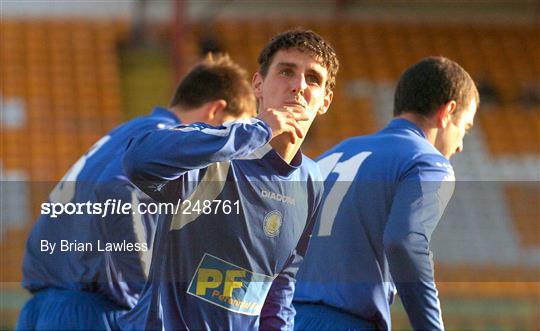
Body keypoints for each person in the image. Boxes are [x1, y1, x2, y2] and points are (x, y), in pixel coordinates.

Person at [116, 29, 339, 330]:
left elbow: (279, 286)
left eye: (313, 78)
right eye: (286, 71)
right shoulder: (216, 155)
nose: (299, 85)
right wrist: (258, 130)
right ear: (258, 85)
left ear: (325, 100)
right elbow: (137, 161)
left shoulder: (311, 180)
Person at [16, 54, 257, 331]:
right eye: (230, 132)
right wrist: (146, 291)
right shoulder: (165, 141)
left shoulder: (127, 132)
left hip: (43, 307)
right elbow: (116, 191)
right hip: (93, 313)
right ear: (216, 111)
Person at [294, 56, 479, 331]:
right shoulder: (429, 162)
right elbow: (404, 242)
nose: (461, 145)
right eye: (464, 128)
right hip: (347, 321)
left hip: (283, 318)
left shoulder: (330, 155)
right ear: (447, 112)